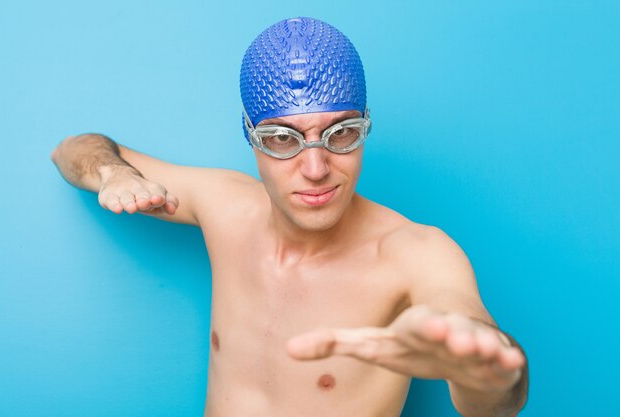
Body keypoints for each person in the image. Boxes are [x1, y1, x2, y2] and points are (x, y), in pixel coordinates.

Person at [51, 17, 528, 417]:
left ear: (366, 123)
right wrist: (113, 173)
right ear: (250, 135)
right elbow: (72, 150)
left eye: (341, 134)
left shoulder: (415, 254)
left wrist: (485, 370)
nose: (317, 169)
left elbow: (490, 378)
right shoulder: (225, 206)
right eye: (283, 139)